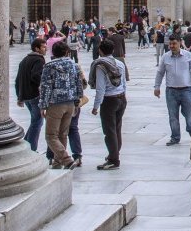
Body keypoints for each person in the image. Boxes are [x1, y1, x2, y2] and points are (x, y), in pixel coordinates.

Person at [38, 39, 82, 169]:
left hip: (55, 103)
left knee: (51, 136)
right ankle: (57, 163)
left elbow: (46, 87)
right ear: (67, 52)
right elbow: (79, 85)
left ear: (53, 52)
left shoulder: (49, 66)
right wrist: (77, 101)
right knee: (62, 134)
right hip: (70, 103)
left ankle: (66, 160)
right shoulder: (74, 65)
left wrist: (43, 105)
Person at [154, 35, 191, 146]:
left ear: (180, 43)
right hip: (171, 91)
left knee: (189, 116)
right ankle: (175, 137)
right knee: (173, 116)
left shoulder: (188, 55)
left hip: (186, 91)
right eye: (170, 44)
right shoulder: (165, 57)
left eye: (174, 43)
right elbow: (160, 73)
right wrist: (156, 87)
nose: (172, 46)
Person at [90, 36, 127, 170]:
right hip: (121, 98)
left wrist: (95, 106)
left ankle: (113, 159)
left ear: (100, 50)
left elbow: (100, 88)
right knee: (117, 128)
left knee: (109, 131)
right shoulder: (120, 63)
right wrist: (123, 97)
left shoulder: (101, 66)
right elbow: (124, 83)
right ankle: (114, 153)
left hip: (109, 100)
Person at [15, 37, 47, 150]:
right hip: (35, 96)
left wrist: (20, 97)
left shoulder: (24, 60)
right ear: (37, 48)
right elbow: (36, 76)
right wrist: (43, 87)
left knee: (35, 121)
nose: (46, 49)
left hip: (26, 96)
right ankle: (31, 149)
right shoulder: (39, 59)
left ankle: (25, 145)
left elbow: (17, 80)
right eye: (43, 47)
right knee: (37, 123)